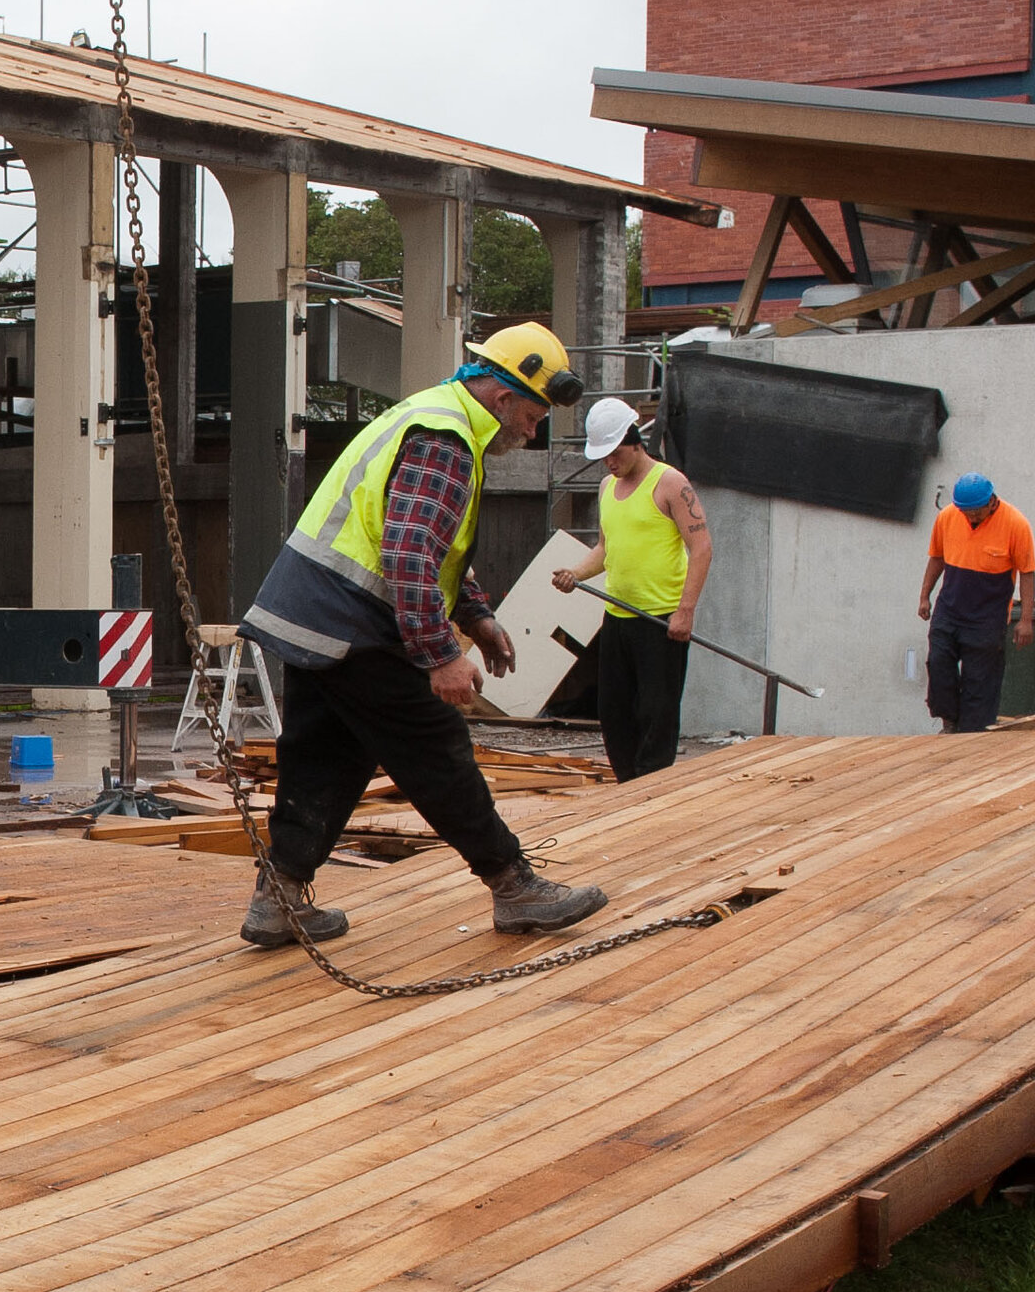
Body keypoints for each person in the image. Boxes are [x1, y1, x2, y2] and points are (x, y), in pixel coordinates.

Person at [234, 323, 608, 948]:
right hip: (358, 623)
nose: (532, 431)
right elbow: (408, 555)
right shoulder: (447, 439)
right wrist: (441, 656)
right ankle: (513, 887)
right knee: (436, 750)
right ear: (503, 396)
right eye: (534, 415)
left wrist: (477, 616)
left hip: (314, 613)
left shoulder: (432, 415)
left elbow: (432, 546)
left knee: (326, 757)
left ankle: (280, 897)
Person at [552, 394, 709, 781]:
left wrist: (684, 610)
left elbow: (701, 547)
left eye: (614, 452)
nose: (609, 461)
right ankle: (628, 783)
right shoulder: (608, 487)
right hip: (619, 617)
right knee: (615, 710)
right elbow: (605, 549)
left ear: (632, 440)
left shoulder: (670, 482)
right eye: (603, 455)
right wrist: (576, 573)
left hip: (659, 620)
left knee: (656, 711)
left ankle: (652, 785)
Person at [916, 473, 1035, 733]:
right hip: (949, 609)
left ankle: (971, 735)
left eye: (976, 512)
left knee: (980, 682)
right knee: (939, 664)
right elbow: (937, 558)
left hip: (987, 618)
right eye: (966, 512)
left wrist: (1026, 620)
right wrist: (925, 595)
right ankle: (949, 721)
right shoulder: (948, 517)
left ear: (991, 501)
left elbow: (1027, 573)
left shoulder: (1016, 524)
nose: (971, 518)